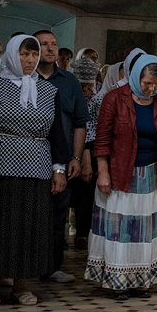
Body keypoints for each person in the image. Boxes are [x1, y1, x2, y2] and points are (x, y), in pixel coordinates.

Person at [0, 35, 70, 308]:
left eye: (34, 55)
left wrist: (59, 169)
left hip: (37, 169)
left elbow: (58, 134)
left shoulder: (49, 91)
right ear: (13, 55)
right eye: (24, 54)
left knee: (29, 228)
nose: (30, 60)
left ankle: (22, 286)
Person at [87, 55, 157, 299]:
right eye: (147, 83)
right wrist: (103, 173)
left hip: (150, 174)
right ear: (136, 76)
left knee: (145, 231)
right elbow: (102, 140)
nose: (152, 88)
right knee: (121, 229)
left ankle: (141, 279)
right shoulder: (115, 99)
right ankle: (119, 280)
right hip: (120, 172)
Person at [32, 29, 89, 284]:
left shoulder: (69, 81)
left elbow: (79, 122)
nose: (51, 48)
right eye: (44, 44)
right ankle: (23, 265)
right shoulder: (24, 79)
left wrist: (76, 157)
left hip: (62, 159)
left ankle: (51, 266)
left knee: (58, 214)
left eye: (54, 44)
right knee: (29, 213)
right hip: (30, 158)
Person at [70, 56, 101, 250]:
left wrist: (88, 160)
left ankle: (83, 233)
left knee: (86, 195)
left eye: (89, 86)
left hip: (91, 152)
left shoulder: (98, 100)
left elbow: (92, 129)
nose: (85, 90)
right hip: (70, 150)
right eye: (82, 86)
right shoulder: (70, 96)